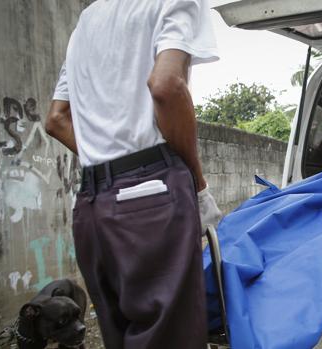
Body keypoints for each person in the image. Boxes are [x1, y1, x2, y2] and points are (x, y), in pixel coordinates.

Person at [45, 1, 221, 348]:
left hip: (92, 206)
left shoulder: (88, 18)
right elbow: (166, 85)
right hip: (151, 200)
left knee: (121, 335)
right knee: (171, 337)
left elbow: (56, 119)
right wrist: (197, 185)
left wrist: (112, 162)